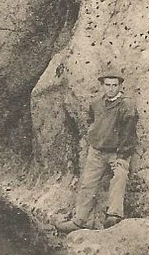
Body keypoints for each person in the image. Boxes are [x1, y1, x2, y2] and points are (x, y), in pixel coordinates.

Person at [57, 71, 138, 232]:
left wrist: (122, 156)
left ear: (120, 86)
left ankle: (113, 216)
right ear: (102, 86)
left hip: (116, 152)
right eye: (107, 85)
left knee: (120, 176)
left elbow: (129, 132)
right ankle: (79, 220)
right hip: (96, 151)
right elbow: (91, 121)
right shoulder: (96, 104)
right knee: (87, 184)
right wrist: (93, 138)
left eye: (114, 85)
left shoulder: (126, 105)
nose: (111, 89)